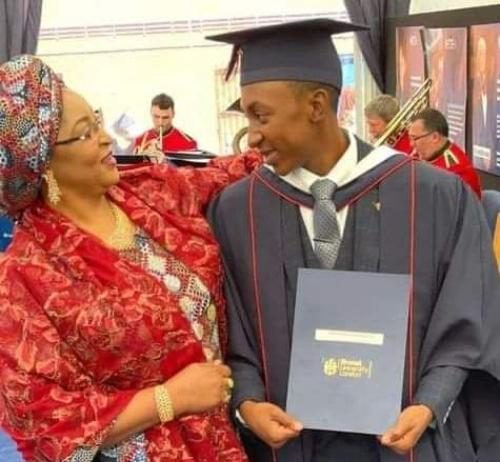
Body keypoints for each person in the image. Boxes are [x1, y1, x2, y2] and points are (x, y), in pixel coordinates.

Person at [206, 19, 500, 462]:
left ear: (317, 105)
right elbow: (225, 332)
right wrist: (246, 403)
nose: (252, 134)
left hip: (407, 445)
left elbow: (470, 318)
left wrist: (430, 402)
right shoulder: (236, 210)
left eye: (260, 115)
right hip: (286, 448)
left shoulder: (436, 197)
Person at [0, 55, 262, 462]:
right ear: (43, 165)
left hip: (228, 437)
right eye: (85, 133)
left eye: (98, 120)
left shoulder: (149, 193)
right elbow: (44, 423)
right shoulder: (25, 277)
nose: (106, 138)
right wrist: (169, 398)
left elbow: (233, 171)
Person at [408, 108, 482, 198]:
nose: (411, 144)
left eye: (414, 138)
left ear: (435, 137)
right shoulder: (419, 155)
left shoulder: (459, 171)